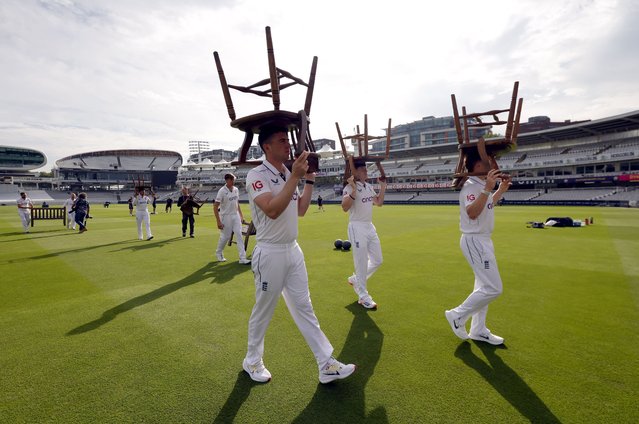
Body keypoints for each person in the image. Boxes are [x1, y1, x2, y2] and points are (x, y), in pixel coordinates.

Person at [242, 125, 356, 384]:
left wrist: (310, 179)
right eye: (282, 140)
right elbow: (271, 209)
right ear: (267, 147)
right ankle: (252, 360)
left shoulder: (285, 172)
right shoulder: (256, 175)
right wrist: (295, 177)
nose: (288, 144)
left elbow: (301, 210)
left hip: (293, 250)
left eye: (287, 140)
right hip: (270, 252)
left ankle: (326, 364)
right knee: (264, 310)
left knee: (305, 307)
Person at [445, 151, 512, 345]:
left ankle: (478, 329)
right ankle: (457, 315)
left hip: (482, 240)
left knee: (483, 286)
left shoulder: (481, 185)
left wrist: (499, 190)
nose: (492, 166)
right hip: (474, 241)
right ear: (477, 167)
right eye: (487, 162)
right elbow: (473, 213)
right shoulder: (470, 186)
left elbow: (486, 205)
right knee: (493, 288)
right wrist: (488, 189)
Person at [341, 160, 387, 309]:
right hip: (356, 227)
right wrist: (353, 189)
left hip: (369, 226)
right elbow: (344, 207)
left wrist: (382, 186)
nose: (366, 172)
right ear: (356, 172)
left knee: (378, 260)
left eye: (366, 170)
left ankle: (356, 279)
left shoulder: (368, 186)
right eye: (363, 170)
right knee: (360, 262)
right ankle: (363, 296)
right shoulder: (349, 187)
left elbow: (379, 203)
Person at [214, 173, 250, 264]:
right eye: (232, 180)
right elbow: (215, 207)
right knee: (225, 236)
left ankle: (242, 258)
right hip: (226, 216)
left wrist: (241, 216)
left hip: (235, 215)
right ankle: (219, 252)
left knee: (239, 235)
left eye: (234, 179)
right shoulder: (222, 191)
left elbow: (237, 203)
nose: (234, 181)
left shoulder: (236, 190)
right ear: (227, 180)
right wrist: (218, 222)